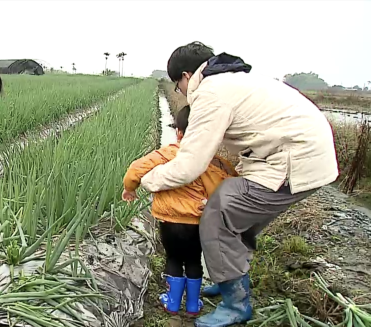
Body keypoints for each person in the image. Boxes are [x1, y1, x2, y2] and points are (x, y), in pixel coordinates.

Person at [140, 42, 338, 327]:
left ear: (185, 76)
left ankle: (236, 304)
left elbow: (189, 165)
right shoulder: (231, 81)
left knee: (219, 213)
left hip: (295, 160)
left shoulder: (211, 93)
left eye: (177, 85)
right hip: (295, 155)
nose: (180, 92)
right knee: (236, 212)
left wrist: (149, 180)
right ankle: (228, 280)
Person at [122, 105, 238, 316]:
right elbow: (230, 182)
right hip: (199, 224)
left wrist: (130, 188)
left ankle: (172, 302)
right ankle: (193, 305)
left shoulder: (167, 153)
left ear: (179, 132)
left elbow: (135, 170)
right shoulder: (212, 160)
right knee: (194, 260)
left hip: (170, 222)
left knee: (173, 259)